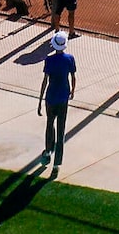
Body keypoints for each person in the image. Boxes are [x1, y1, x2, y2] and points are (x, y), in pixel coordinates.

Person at [39, 30, 77, 167]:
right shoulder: (70, 59)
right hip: (63, 99)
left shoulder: (49, 60)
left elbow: (45, 81)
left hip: (50, 98)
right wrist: (72, 91)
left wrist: (39, 101)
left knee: (50, 125)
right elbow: (73, 77)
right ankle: (57, 164)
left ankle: (48, 151)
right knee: (61, 130)